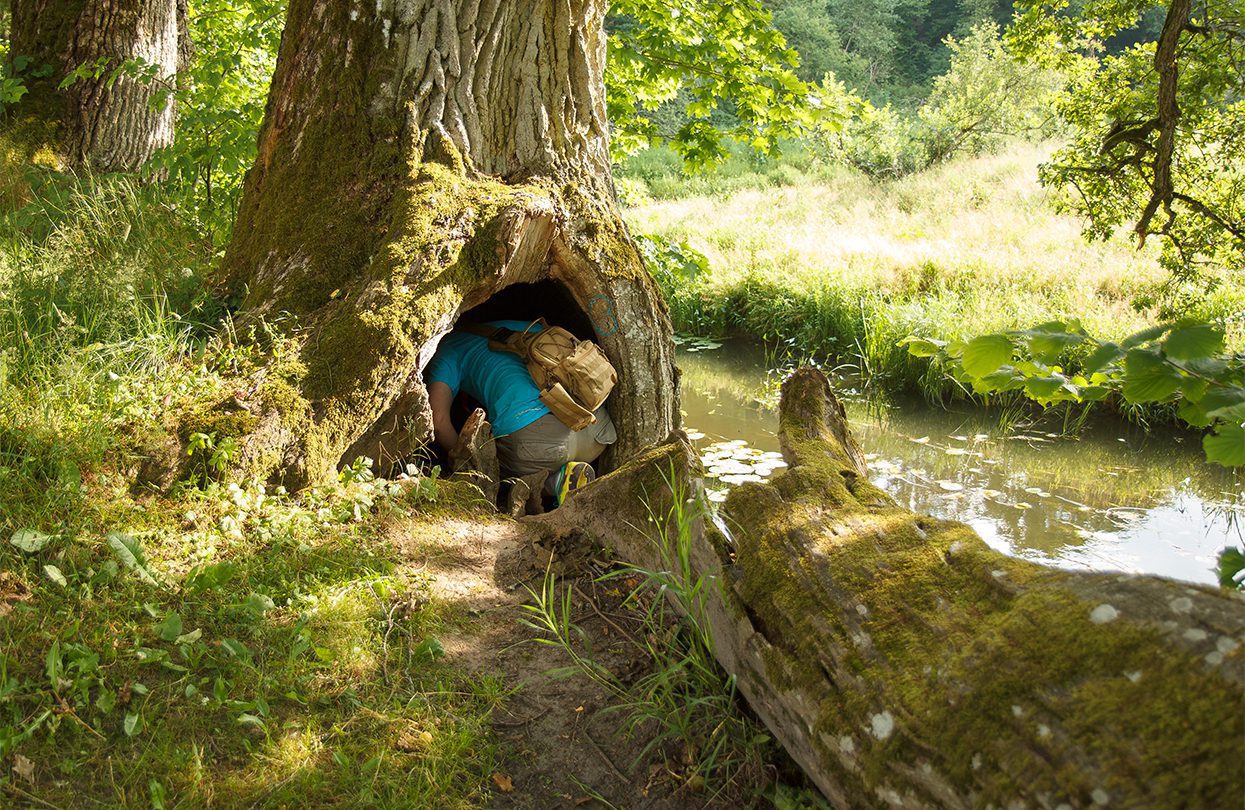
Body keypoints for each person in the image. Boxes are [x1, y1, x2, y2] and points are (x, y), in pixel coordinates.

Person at [424, 319, 616, 503]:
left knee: (489, 475)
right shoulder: (523, 329)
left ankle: (554, 484)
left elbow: (439, 421)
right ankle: (571, 474)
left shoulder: (447, 350)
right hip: (596, 432)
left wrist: (462, 461)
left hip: (539, 448)